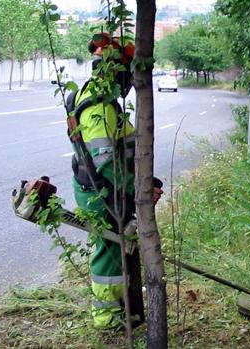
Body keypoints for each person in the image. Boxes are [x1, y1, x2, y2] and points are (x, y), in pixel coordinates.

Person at [66, 34, 163, 330]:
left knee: (118, 249)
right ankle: (107, 317)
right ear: (115, 70)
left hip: (108, 189)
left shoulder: (103, 99)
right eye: (127, 72)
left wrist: (144, 181)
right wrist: (133, 193)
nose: (129, 81)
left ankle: (121, 310)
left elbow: (123, 150)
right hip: (102, 192)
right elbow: (105, 162)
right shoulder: (99, 105)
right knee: (109, 254)